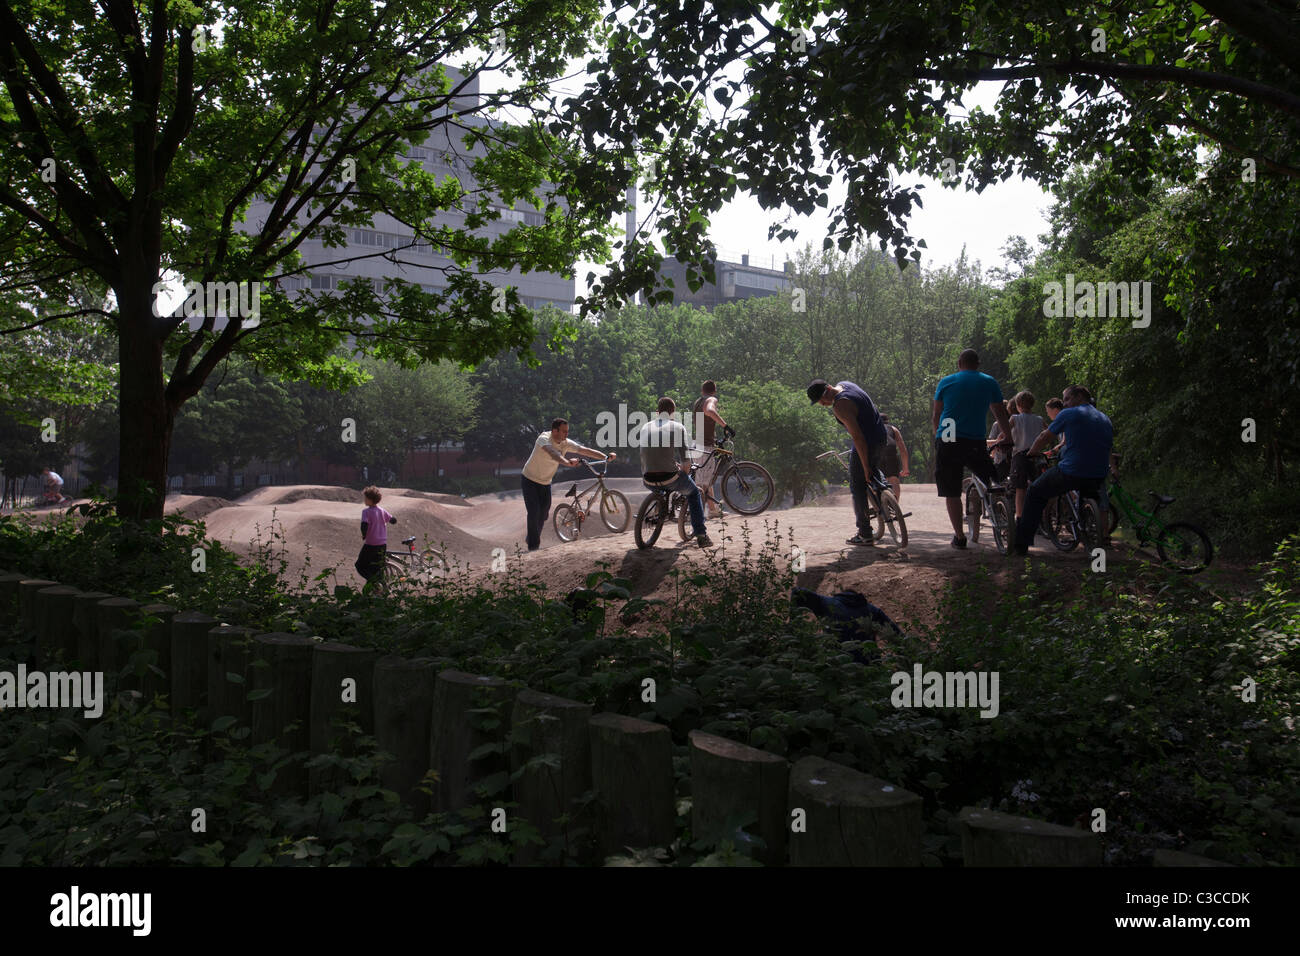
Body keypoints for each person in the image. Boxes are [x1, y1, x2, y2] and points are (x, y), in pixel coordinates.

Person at [1013, 385, 1116, 555]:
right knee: (1089, 496)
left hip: (1072, 470)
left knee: (1035, 492)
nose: (1065, 403)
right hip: (1099, 473)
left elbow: (1044, 437)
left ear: (1079, 396)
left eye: (1067, 398)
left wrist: (1031, 453)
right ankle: (1092, 537)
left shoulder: (1069, 414)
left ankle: (1021, 545)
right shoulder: (1104, 417)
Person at [931, 349, 1014, 549]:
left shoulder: (947, 381)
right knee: (991, 477)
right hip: (974, 438)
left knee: (951, 490)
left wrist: (938, 437)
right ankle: (999, 505)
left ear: (959, 363)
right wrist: (1008, 436)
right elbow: (999, 412)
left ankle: (960, 537)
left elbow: (937, 414)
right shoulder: (989, 381)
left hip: (949, 434)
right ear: (978, 364)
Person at [807, 378, 889, 546]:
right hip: (882, 436)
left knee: (857, 484)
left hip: (867, 442)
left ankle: (865, 533)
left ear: (827, 391)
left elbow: (858, 437)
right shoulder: (847, 384)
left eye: (821, 401)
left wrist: (865, 466)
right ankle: (888, 495)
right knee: (873, 471)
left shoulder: (840, 406)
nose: (822, 405)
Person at [520, 418, 615, 551]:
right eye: (564, 431)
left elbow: (584, 450)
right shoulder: (543, 439)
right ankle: (533, 546)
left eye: (567, 431)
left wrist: (605, 457)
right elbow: (554, 454)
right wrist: (567, 462)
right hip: (529, 480)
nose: (566, 434)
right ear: (554, 431)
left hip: (545, 482)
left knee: (544, 513)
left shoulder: (565, 442)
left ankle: (532, 536)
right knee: (534, 512)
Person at [637, 397, 712, 548]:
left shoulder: (645, 427)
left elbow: (650, 454)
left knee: (665, 479)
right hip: (669, 478)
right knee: (694, 493)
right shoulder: (677, 427)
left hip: (647, 479)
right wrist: (684, 471)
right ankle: (701, 535)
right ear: (673, 412)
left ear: (657, 412)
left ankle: (660, 508)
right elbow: (686, 462)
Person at [691, 380, 730, 519]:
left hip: (699, 443)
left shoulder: (698, 401)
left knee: (705, 478)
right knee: (703, 481)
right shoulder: (711, 399)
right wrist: (725, 426)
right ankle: (695, 511)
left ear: (702, 391)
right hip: (705, 445)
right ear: (714, 391)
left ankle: (712, 510)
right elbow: (710, 411)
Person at [1008, 391, 1045, 520]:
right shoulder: (1039, 419)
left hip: (1020, 455)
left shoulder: (1015, 418)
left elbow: (1005, 433)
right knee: (1037, 486)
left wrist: (999, 441)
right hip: (1036, 455)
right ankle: (1039, 516)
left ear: (1017, 404)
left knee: (1020, 488)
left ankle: (1019, 516)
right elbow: (1048, 433)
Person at [355, 486, 396, 586]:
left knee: (360, 566)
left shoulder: (366, 512)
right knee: (377, 568)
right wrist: (392, 520)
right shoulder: (382, 510)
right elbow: (393, 520)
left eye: (365, 498)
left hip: (371, 544)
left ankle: (375, 583)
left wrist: (364, 535)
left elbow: (364, 525)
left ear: (370, 499)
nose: (364, 500)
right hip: (382, 544)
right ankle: (382, 589)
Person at [879, 413, 911, 500]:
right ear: (887, 421)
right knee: (894, 480)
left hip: (877, 453)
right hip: (891, 453)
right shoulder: (893, 429)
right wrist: (905, 468)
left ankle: (880, 506)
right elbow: (902, 449)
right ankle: (895, 506)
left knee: (878, 481)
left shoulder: (874, 428)